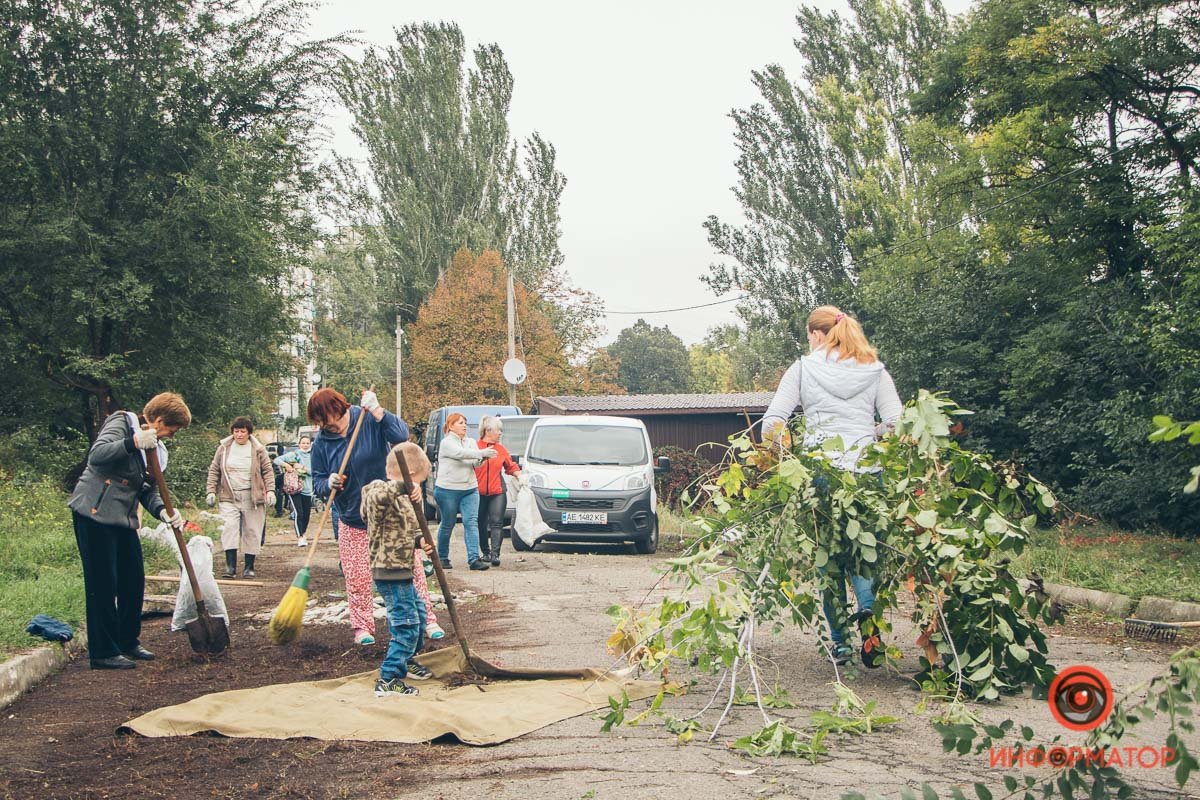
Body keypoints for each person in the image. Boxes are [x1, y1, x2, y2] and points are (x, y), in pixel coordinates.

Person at [761, 306, 902, 668]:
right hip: (866, 474)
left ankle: (840, 645)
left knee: (828, 560)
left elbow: (772, 423)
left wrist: (787, 458)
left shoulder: (804, 368)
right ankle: (869, 620)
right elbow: (896, 424)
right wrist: (870, 434)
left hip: (821, 473)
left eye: (809, 335)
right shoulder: (875, 370)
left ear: (818, 334)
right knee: (865, 553)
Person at [68, 392, 191, 669]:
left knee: (132, 579)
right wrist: (132, 442)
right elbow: (97, 456)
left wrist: (163, 512)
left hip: (123, 519)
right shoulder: (122, 422)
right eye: (171, 429)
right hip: (94, 513)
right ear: (159, 420)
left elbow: (146, 489)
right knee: (103, 583)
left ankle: (127, 640)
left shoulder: (156, 451)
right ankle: (103, 652)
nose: (171, 436)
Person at [309, 387, 409, 646]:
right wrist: (328, 483)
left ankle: (425, 618)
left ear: (339, 409)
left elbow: (401, 436)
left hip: (387, 512)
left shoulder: (367, 420)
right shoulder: (322, 441)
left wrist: (379, 411)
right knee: (357, 576)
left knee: (407, 568)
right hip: (351, 515)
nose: (328, 428)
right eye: (322, 424)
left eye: (330, 421)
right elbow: (317, 481)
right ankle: (362, 627)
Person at [361, 442, 438, 696]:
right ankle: (389, 678)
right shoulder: (377, 490)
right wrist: (404, 486)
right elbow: (376, 500)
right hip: (388, 570)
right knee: (406, 624)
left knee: (419, 615)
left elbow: (408, 531)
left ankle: (407, 660)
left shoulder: (405, 500)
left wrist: (421, 541)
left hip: (403, 569)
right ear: (411, 476)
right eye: (420, 481)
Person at [205, 417, 275, 578]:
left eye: (243, 431)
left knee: (252, 530)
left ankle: (249, 567)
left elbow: (267, 471)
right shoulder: (224, 448)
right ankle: (230, 567)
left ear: (249, 432)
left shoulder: (258, 449)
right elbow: (214, 470)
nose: (239, 435)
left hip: (252, 496)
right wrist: (210, 491)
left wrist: (270, 491)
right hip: (229, 495)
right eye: (236, 431)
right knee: (229, 529)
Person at [434, 413, 496, 571]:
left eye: (465, 423)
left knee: (471, 522)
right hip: (448, 489)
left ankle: (474, 559)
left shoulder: (470, 442)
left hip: (469, 489)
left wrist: (483, 458)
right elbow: (460, 454)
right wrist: (482, 453)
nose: (464, 426)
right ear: (451, 425)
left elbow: (475, 463)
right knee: (448, 523)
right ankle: (441, 557)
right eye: (460, 423)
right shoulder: (446, 443)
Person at [475, 415, 521, 567]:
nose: (500, 433)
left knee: (496, 522)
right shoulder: (475, 447)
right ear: (488, 430)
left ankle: (495, 554)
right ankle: (485, 552)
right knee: (481, 523)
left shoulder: (500, 449)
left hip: (497, 491)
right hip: (478, 492)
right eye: (498, 430)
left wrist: (521, 477)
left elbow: (510, 466)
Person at [275, 435, 314, 547]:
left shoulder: (313, 456)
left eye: (307, 443)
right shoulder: (294, 454)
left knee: (306, 514)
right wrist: (287, 465)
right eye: (303, 443)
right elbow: (277, 460)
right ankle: (300, 536)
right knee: (299, 513)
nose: (305, 445)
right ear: (299, 444)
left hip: (308, 489)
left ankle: (303, 533)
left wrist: (302, 468)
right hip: (294, 488)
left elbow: (315, 472)